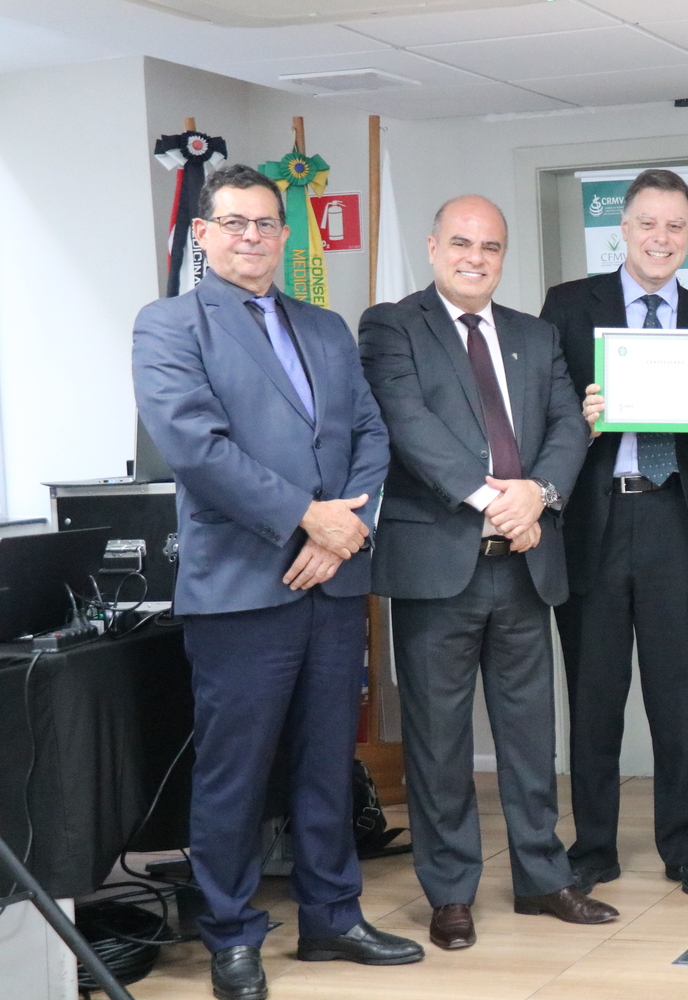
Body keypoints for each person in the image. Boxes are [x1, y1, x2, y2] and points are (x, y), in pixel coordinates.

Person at [133, 164, 421, 1000]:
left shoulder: (324, 326)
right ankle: (231, 933)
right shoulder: (169, 325)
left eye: (266, 223)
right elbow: (196, 448)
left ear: (285, 235)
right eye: (235, 223)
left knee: (327, 761)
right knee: (237, 773)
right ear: (203, 234)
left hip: (332, 583)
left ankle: (332, 917)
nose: (252, 236)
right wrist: (306, 517)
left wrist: (341, 533)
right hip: (242, 590)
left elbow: (370, 433)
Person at [358, 195, 613, 951]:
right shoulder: (392, 326)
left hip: (526, 563)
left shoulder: (536, 335)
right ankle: (450, 892)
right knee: (439, 742)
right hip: (439, 564)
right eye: (462, 243)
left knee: (532, 737)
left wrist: (540, 494)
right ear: (433, 247)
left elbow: (570, 425)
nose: (476, 257)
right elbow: (409, 426)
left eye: (491, 246)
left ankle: (542, 878)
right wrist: (496, 502)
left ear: (504, 256)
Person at [540, 169, 688, 899]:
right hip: (594, 521)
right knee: (593, 698)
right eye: (648, 224)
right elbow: (539, 417)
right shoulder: (569, 307)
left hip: (676, 521)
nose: (662, 238)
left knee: (677, 696)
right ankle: (593, 846)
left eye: (676, 226)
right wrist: (580, 422)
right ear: (622, 229)